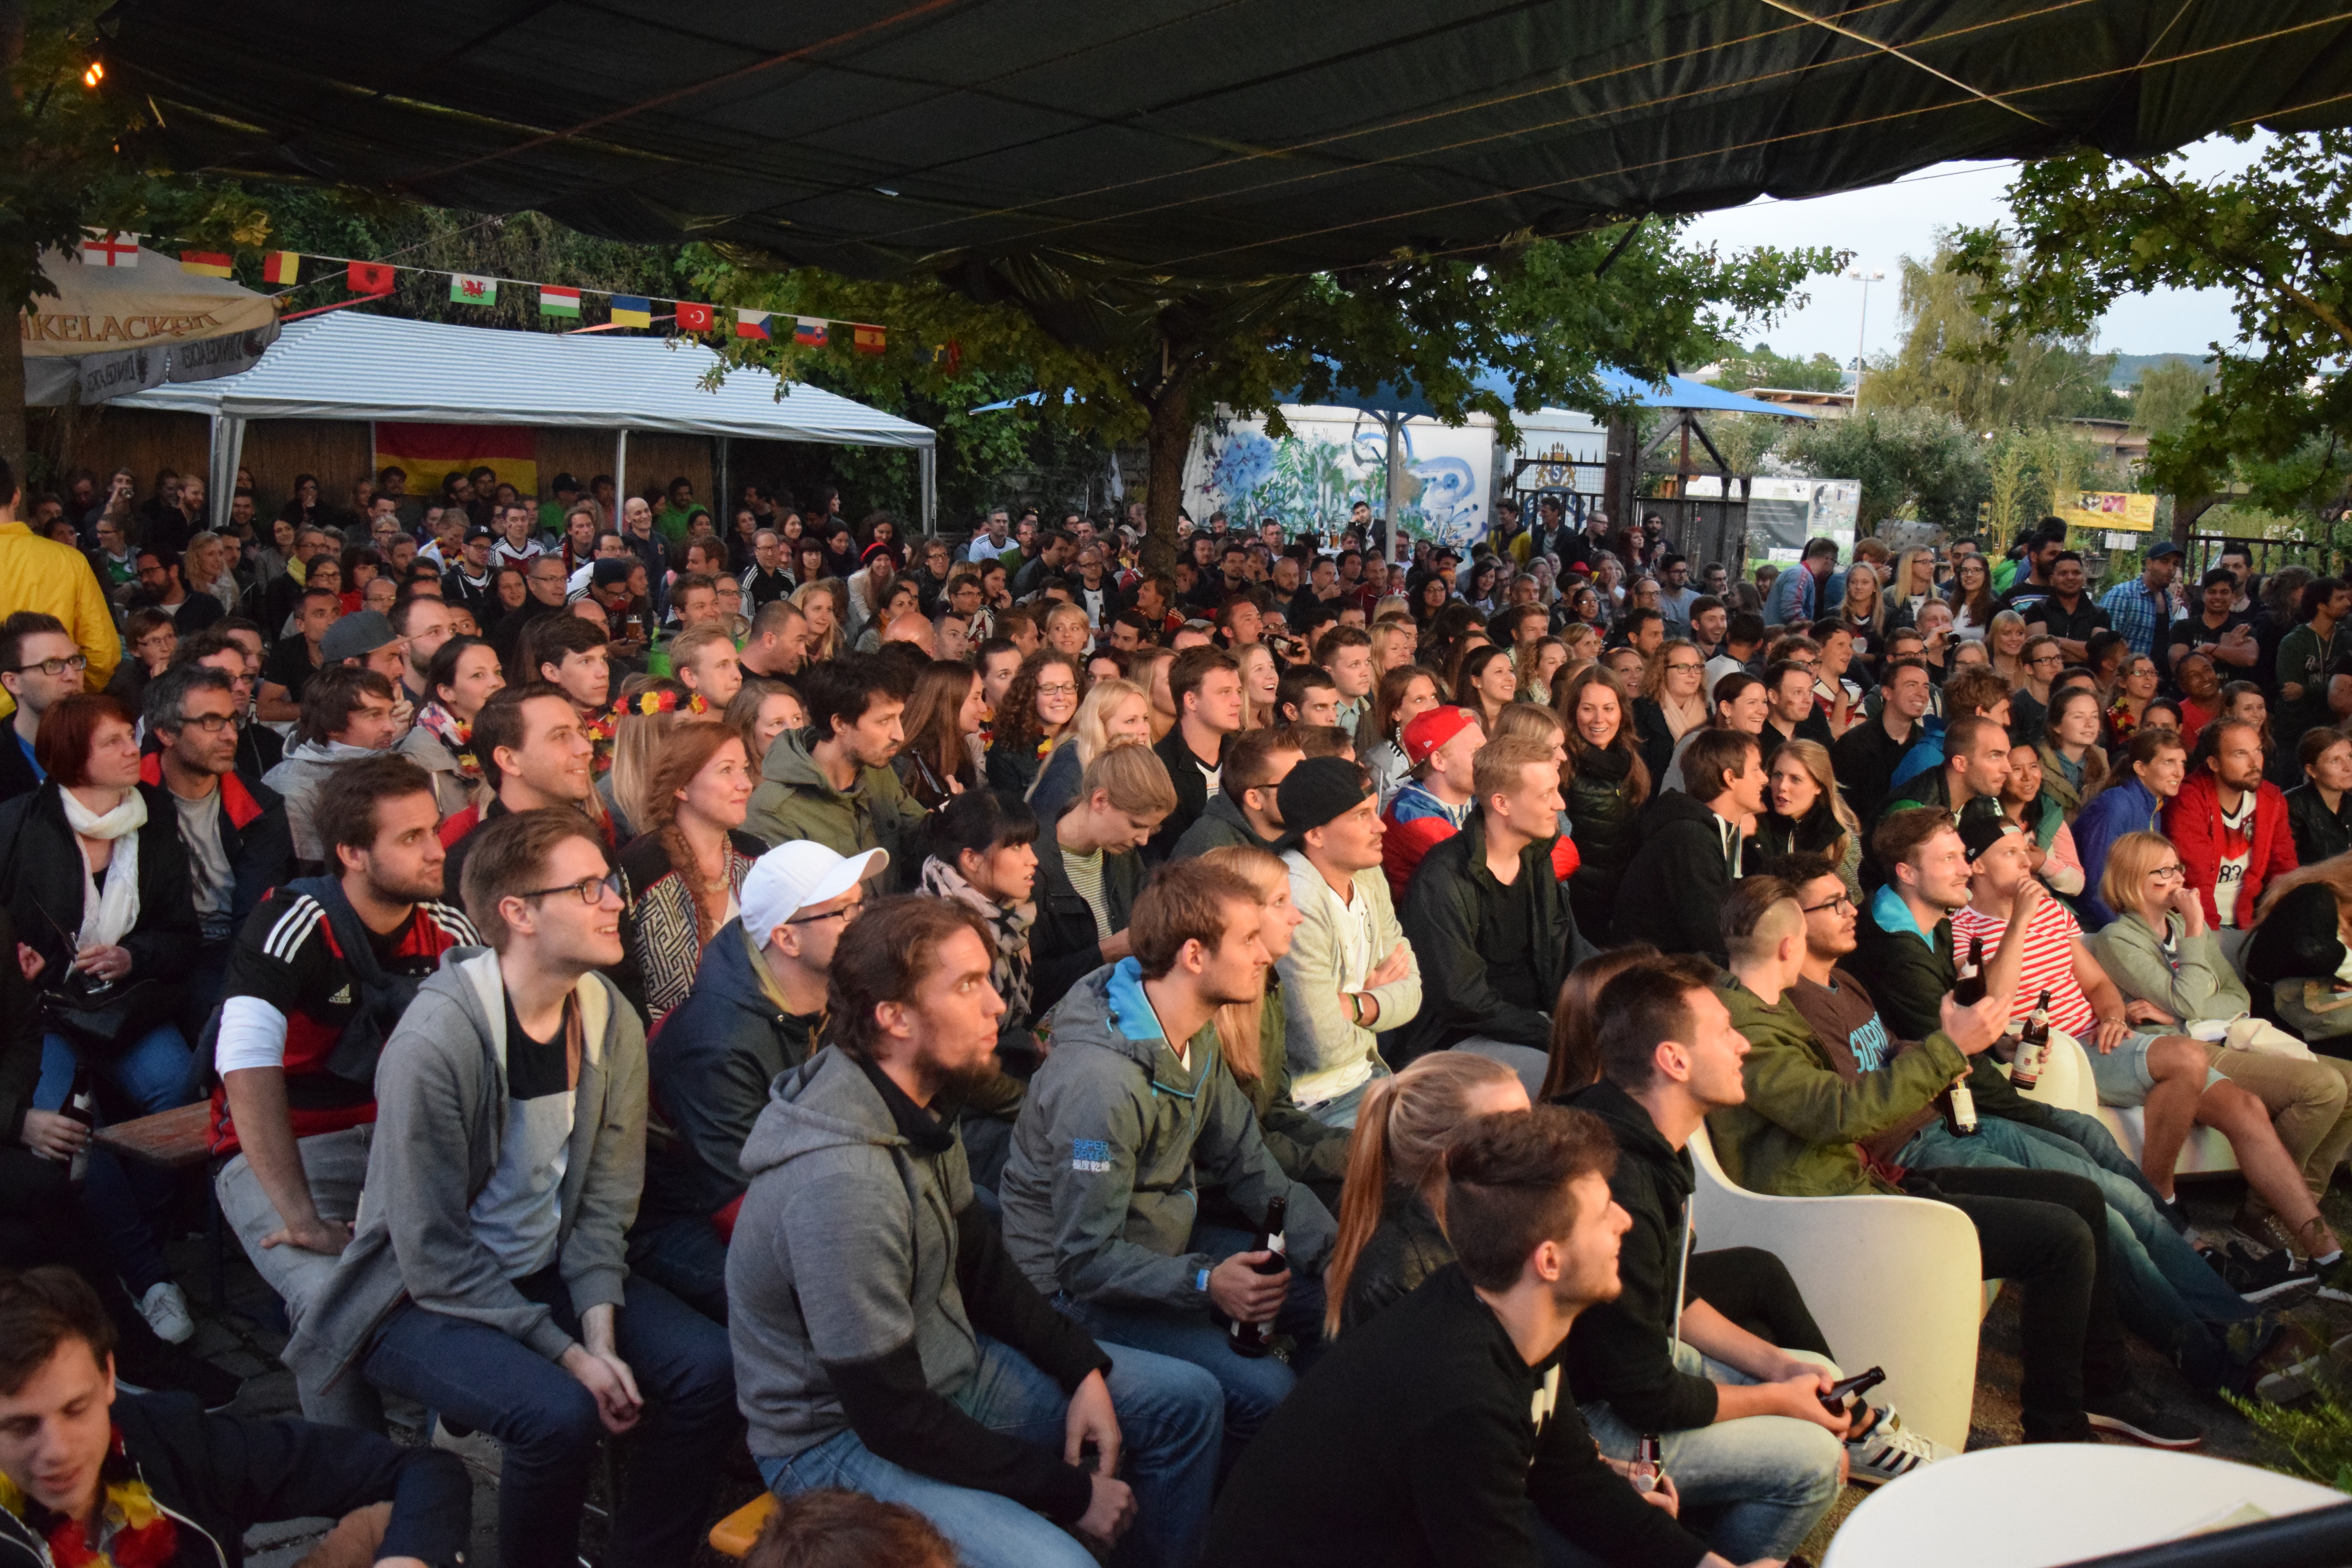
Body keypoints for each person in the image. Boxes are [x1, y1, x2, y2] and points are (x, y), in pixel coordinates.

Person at [285, 808, 737, 1568]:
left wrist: (601, 1333)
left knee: (709, 1369)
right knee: (558, 1415)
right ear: (519, 914)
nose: (616, 900)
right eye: (588, 888)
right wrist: (572, 1356)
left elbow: (604, 1202)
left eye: (610, 882)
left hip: (542, 1267)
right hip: (414, 1296)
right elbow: (430, 1251)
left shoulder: (609, 1017)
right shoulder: (439, 1040)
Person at [728, 891, 1222, 1568]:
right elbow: (893, 1418)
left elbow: (982, 1265)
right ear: (894, 1017)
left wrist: (1081, 1367)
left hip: (942, 1370)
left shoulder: (919, 1098)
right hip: (835, 1437)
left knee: (1187, 1402)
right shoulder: (843, 1185)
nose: (997, 1005)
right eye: (967, 986)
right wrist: (1072, 1494)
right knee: (1062, 1566)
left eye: (988, 979)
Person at [1714, 866, 2200, 1447]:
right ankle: (2057, 1426)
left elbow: (1859, 1080)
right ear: (1790, 946)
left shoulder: (1772, 1006)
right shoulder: (1751, 1027)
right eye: (1831, 907)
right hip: (1840, 1207)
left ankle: (2104, 1386)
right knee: (2062, 1238)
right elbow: (1839, 1112)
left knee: (2081, 1197)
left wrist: (1939, 1046)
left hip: (1870, 1180)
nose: (1850, 913)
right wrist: (1948, 1048)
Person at [1207, 1106, 1733, 1568]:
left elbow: (1570, 1477)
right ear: (1548, 1261)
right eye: (1603, 1213)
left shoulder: (1518, 1314)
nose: (1624, 1221)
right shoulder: (1465, 1397)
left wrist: (1706, 1563)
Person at [1565, 955, 1922, 1558]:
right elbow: (1646, 1396)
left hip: (1628, 1378)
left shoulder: (1642, 1133)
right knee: (1814, 1458)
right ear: (1674, 1061)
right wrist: (1779, 1401)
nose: (1743, 1045)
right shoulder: (1618, 1183)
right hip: (1588, 1425)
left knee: (1812, 1368)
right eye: (1725, 1031)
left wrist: (1779, 1369)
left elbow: (1672, 1295)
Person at [1000, 859, 1338, 1448]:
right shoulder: (1100, 1088)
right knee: (1267, 1394)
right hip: (1072, 1293)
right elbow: (1084, 1259)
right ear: (1194, 956)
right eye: (1249, 940)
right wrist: (1207, 1281)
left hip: (1159, 1246)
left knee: (1336, 1300)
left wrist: (1335, 1254)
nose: (1266, 954)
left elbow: (1247, 1161)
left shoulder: (1190, 1025)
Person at [206, 754, 475, 1424]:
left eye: (434, 829)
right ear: (352, 854)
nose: (437, 850)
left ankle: (454, 1432)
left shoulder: (449, 928)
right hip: (285, 1150)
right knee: (330, 1299)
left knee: (489, 1268)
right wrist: (299, 1216)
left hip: (399, 1143)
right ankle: (355, 1471)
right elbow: (246, 1067)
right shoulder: (292, 920)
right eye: (410, 837)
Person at [1952, 820, 2352, 1268]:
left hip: (2102, 1037)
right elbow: (1994, 1001)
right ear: (1977, 865)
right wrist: (2019, 921)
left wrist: (2112, 1015)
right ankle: (2161, 1200)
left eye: (2025, 850)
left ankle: (2327, 1253)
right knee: (2186, 1056)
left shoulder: (2051, 911)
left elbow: (2098, 984)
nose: (2026, 862)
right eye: (2010, 853)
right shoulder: (1962, 927)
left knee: (2245, 1107)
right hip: (2057, 1051)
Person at [0, 1265, 472, 1568]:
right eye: (22, 1426)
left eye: (76, 1409)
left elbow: (421, 1470)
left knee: (392, 1526)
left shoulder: (167, 1437)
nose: (57, 1449)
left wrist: (406, 1559)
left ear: (108, 1377)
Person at [635, 840, 882, 1323]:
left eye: (860, 904)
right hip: (687, 1213)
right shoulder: (717, 1041)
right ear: (787, 939)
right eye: (843, 912)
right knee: (831, 1300)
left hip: (803, 1176)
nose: (862, 923)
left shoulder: (836, 984)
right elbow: (739, 1202)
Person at [1394, 736, 1577, 1095]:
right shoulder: (1443, 877)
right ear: (1502, 803)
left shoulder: (1535, 857)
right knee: (1569, 1077)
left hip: (1532, 1022)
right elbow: (1461, 998)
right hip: (1455, 1040)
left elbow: (1563, 949)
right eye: (1546, 795)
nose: (1560, 804)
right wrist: (1551, 1035)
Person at [1319, 1052, 1528, 1332]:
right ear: (1453, 1157)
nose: (1535, 1141)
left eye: (1532, 1123)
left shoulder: (1516, 1211)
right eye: (1513, 1130)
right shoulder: (1398, 1274)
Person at [139, 665, 295, 1034]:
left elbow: (256, 913)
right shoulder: (129, 798)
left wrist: (232, 996)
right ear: (165, 733)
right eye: (211, 722)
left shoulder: (260, 806)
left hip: (233, 947)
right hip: (153, 950)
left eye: (231, 720)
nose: (229, 735)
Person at [1278, 758, 1422, 1127]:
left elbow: (1414, 989)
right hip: (1315, 1104)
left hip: (1371, 1075)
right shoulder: (1296, 901)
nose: (1381, 826)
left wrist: (1356, 1005)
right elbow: (1321, 1046)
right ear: (1316, 835)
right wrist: (1378, 1008)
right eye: (1362, 816)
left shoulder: (1368, 872)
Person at [615, 720, 762, 1024]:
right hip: (665, 1045)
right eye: (726, 770)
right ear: (681, 787)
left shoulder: (757, 856)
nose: (746, 784)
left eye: (745, 769)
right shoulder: (639, 869)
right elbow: (621, 982)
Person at [1030, 745, 1174, 1018]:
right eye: (1136, 825)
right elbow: (1031, 984)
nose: (1144, 840)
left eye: (1152, 828)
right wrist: (1107, 952)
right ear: (1100, 800)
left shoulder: (1121, 852)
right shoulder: (1031, 866)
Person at [437, 683, 604, 899]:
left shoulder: (587, 831)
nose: (586, 748)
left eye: (582, 733)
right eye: (561, 736)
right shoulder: (470, 868)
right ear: (509, 760)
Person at [1614, 728, 1764, 964]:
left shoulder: (1705, 832)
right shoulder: (1690, 839)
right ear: (1730, 778)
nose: (1764, 778)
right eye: (1756, 769)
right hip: (1656, 975)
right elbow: (1710, 937)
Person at [2165, 717, 2299, 969]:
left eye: (2257, 751)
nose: (2255, 763)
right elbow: (2195, 880)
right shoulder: (2190, 800)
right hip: (2196, 925)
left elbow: (2284, 868)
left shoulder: (2271, 798)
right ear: (2214, 763)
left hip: (2248, 922)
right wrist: (2211, 940)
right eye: (2240, 754)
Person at [0, 461, 119, 707]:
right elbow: (103, 654)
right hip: (52, 711)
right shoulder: (69, 560)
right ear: (17, 496)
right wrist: (66, 696)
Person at [1555, 666, 1650, 940]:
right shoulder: (1563, 765)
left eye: (1609, 709)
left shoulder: (1631, 759)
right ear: (1573, 711)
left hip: (1623, 902)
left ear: (1622, 712)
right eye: (1588, 709)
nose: (1599, 719)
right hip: (1579, 908)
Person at [2073, 727, 2190, 929]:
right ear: (2141, 768)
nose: (2179, 773)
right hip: (2095, 926)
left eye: (2182, 763)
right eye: (2169, 762)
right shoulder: (2115, 806)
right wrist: (2134, 934)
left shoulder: (2155, 809)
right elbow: (2095, 888)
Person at [1145, 646, 1242, 862]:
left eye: (1238, 691)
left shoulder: (1245, 759)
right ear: (1191, 701)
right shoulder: (1157, 768)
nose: (1238, 701)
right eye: (1225, 692)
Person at [1379, 704, 1486, 899]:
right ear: (1439, 761)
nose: (1488, 761)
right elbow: (1483, 871)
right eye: (1476, 752)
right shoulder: (1411, 815)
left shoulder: (1476, 798)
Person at [399, 633, 505, 819]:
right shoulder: (418, 759)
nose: (496, 682)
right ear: (447, 692)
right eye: (478, 675)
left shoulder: (509, 732)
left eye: (498, 672)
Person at [1172, 722, 1299, 859]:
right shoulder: (1212, 851)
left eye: (1306, 775)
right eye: (1293, 784)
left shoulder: (1307, 831)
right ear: (1255, 799)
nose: (1306, 789)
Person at [1830, 657, 1930, 825]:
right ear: (1887, 692)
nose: (1922, 694)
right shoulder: (1853, 746)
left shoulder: (1927, 746)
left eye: (1926, 687)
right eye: (1911, 685)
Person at [2285, 726, 2352, 865]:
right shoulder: (2292, 807)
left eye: (2350, 756)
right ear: (2312, 771)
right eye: (2335, 760)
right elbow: (2286, 866)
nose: (2348, 767)